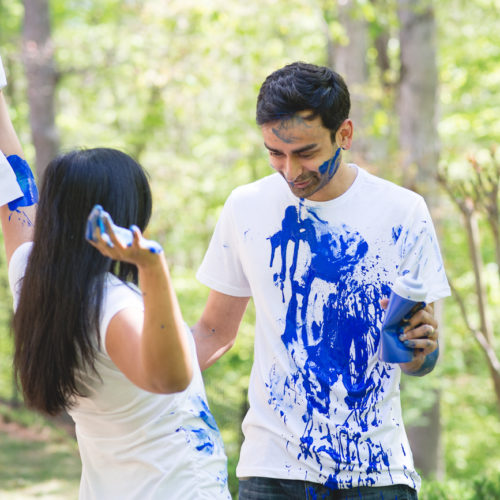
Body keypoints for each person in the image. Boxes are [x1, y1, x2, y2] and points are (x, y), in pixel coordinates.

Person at [192, 61, 451, 499]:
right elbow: (214, 331)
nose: (290, 171)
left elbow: (420, 360)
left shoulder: (404, 213)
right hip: (272, 469)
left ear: (344, 135)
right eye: (275, 153)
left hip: (377, 474)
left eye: (306, 153)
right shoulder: (245, 207)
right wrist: (137, 371)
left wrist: (420, 351)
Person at [0, 55, 231, 499]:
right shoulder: (113, 305)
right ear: (131, 216)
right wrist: (152, 268)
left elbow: (13, 173)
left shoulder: (33, 280)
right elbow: (169, 380)